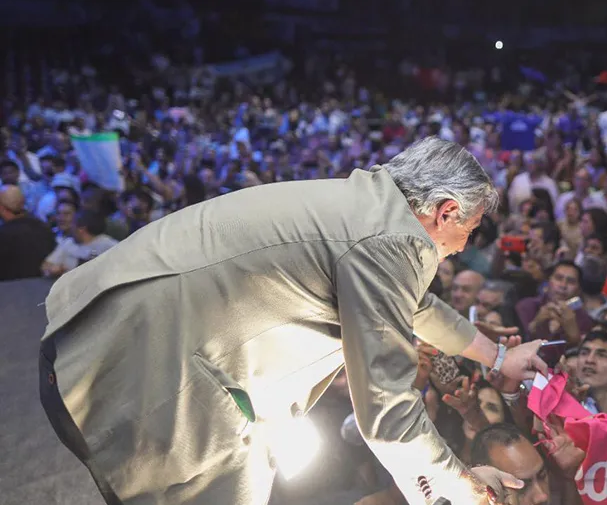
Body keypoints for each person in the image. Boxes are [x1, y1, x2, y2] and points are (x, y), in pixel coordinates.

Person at [38, 138, 548, 505]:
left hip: (96, 335)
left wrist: (497, 355)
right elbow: (386, 410)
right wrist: (458, 487)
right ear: (446, 211)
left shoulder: (366, 208)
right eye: (471, 231)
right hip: (137, 372)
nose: (462, 249)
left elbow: (412, 306)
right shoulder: (393, 241)